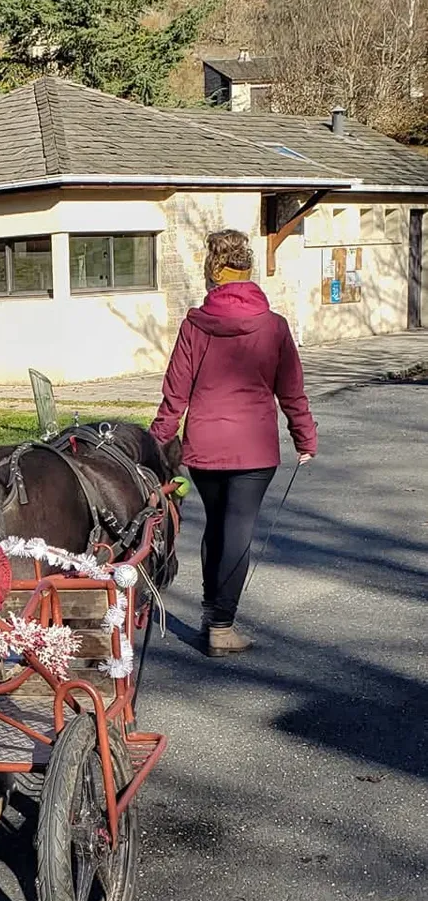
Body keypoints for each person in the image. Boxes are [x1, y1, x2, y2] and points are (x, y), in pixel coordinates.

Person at [150, 228, 317, 656]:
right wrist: (305, 437)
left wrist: (155, 444)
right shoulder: (274, 327)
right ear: (250, 276)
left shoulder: (194, 326)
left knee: (217, 527)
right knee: (237, 531)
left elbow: (175, 394)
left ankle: (213, 617)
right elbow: (292, 391)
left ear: (212, 279)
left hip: (205, 447)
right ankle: (221, 627)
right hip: (254, 450)